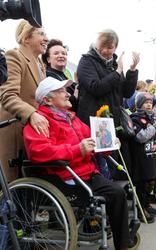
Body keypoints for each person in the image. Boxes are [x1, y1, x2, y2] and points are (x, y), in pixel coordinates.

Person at [23, 76, 130, 250]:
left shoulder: (72, 118)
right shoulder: (41, 121)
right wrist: (77, 149)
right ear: (47, 99)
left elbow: (94, 142)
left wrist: (108, 144)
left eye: (66, 90)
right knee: (116, 192)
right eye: (61, 91)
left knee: (118, 193)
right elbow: (38, 152)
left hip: (86, 174)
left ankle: (123, 244)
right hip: (63, 177)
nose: (67, 94)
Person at [76, 29, 140, 179]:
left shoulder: (115, 65)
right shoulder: (86, 61)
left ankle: (116, 198)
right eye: (102, 46)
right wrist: (117, 72)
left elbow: (126, 93)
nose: (105, 51)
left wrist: (131, 71)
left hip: (114, 121)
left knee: (115, 164)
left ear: (116, 47)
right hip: (94, 121)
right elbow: (95, 87)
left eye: (110, 47)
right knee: (101, 164)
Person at [0, 20, 49, 182]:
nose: (46, 38)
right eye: (41, 34)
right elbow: (7, 95)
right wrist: (32, 114)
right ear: (26, 38)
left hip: (34, 134)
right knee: (12, 190)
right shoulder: (14, 56)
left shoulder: (40, 64)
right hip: (15, 131)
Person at [130, 92, 156, 223]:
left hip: (153, 155)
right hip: (142, 158)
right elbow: (140, 137)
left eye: (150, 102)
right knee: (142, 185)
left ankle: (147, 205)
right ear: (139, 104)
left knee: (152, 182)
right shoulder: (134, 118)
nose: (149, 104)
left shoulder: (152, 117)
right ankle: (140, 210)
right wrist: (152, 127)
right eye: (146, 102)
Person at [41, 39, 78, 111]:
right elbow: (57, 102)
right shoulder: (48, 77)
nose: (61, 56)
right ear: (48, 59)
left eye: (63, 53)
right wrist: (75, 96)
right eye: (56, 53)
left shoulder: (64, 76)